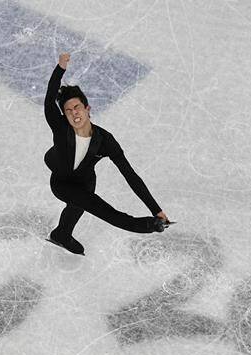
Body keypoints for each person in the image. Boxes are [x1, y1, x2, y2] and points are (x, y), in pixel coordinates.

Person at [43, 52, 172, 255]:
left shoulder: (105, 140)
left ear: (87, 108)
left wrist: (155, 209)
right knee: (98, 207)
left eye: (77, 107)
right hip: (62, 182)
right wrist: (60, 68)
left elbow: (130, 175)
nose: (74, 113)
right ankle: (146, 226)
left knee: (78, 203)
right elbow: (50, 98)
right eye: (68, 111)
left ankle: (61, 234)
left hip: (85, 180)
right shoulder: (60, 127)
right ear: (64, 116)